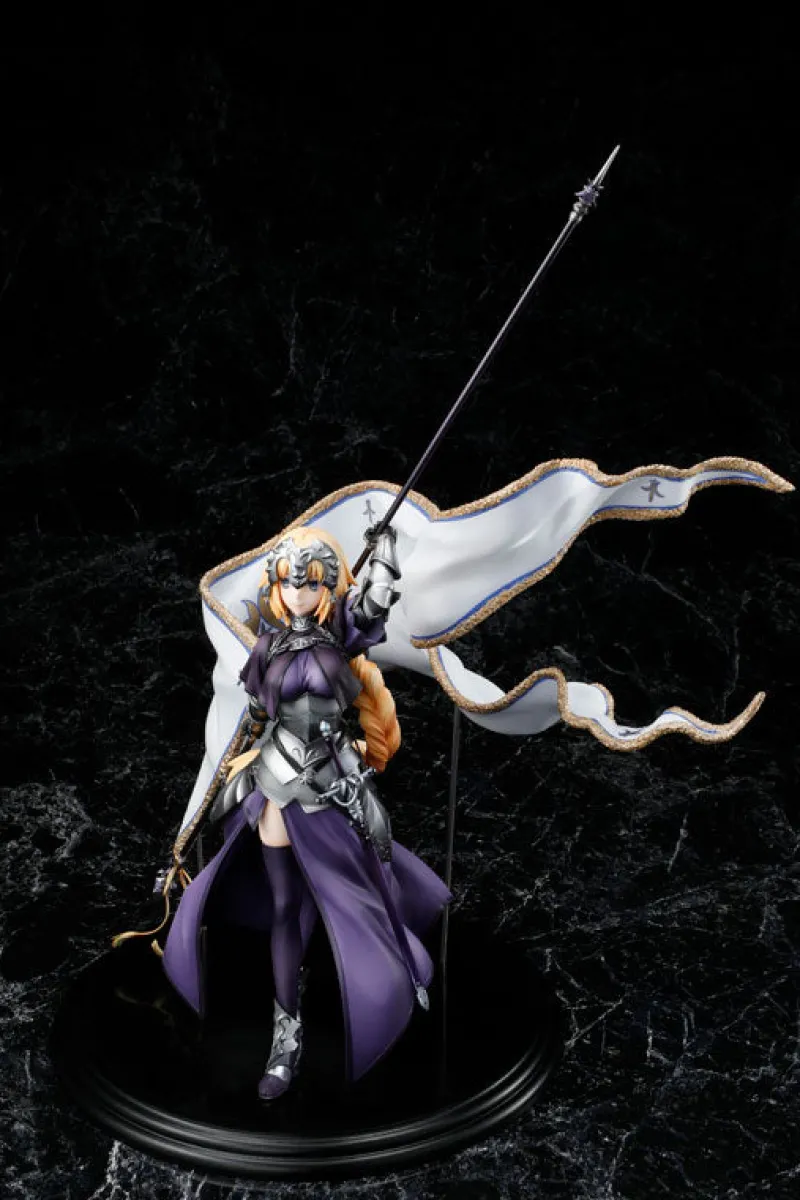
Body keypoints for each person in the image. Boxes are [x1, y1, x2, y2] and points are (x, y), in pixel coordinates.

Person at [161, 523, 451, 1100]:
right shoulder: (266, 647)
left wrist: (385, 548)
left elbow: (374, 604)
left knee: (362, 886)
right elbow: (250, 715)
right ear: (277, 587)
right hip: (277, 779)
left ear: (325, 588)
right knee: (284, 906)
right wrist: (227, 768)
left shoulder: (340, 634)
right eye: (290, 584)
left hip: (333, 782)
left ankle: (390, 976)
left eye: (311, 584)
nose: (299, 594)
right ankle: (285, 1036)